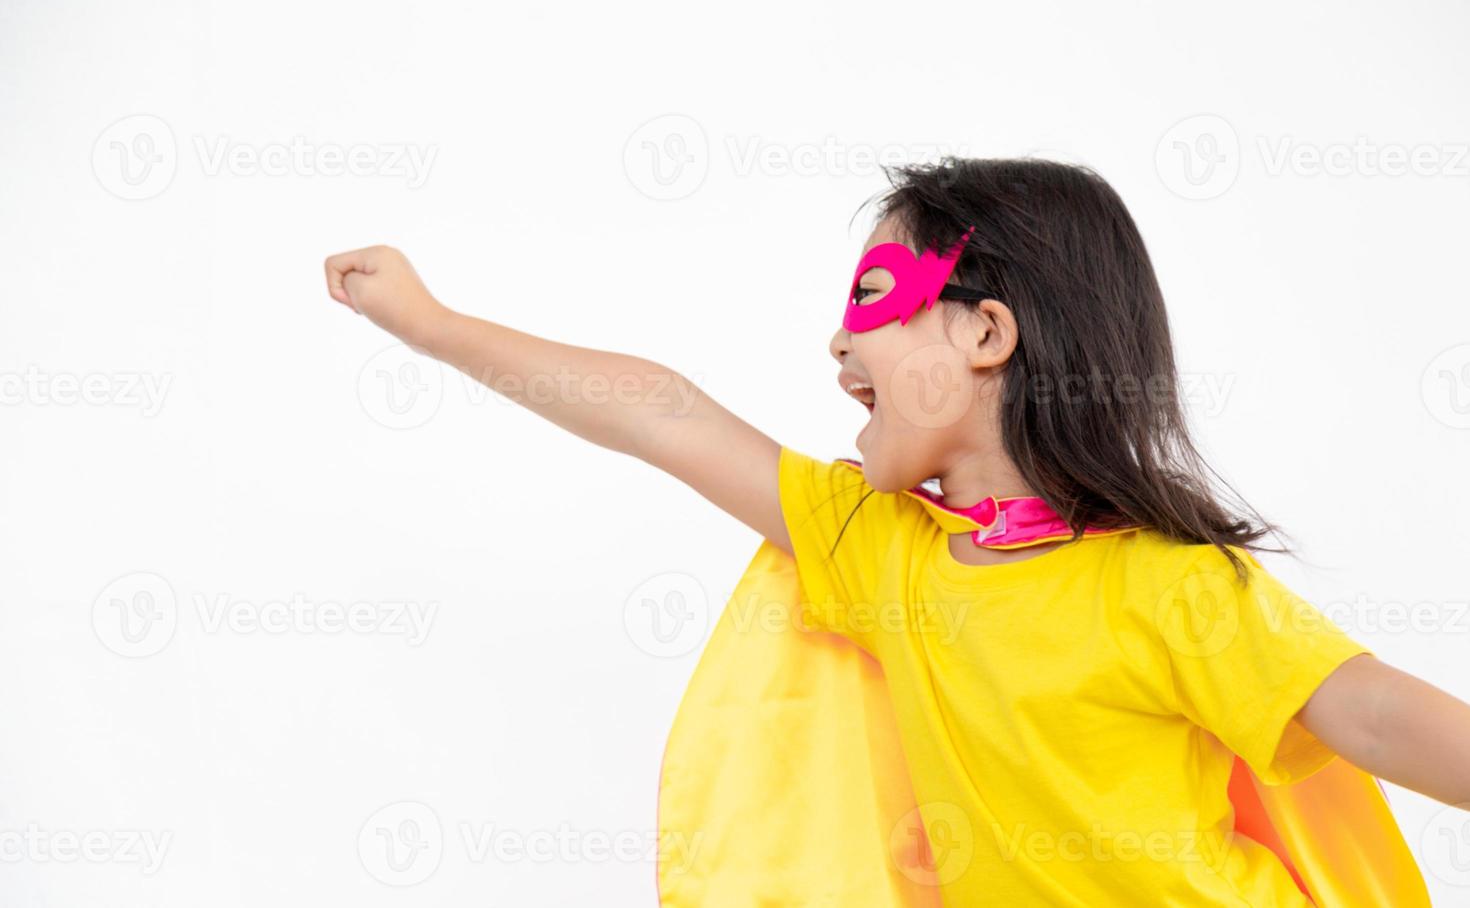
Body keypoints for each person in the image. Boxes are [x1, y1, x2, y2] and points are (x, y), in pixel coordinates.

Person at [324, 156, 1469, 905]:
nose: (836, 343)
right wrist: (433, 325)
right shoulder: (884, 549)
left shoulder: (1167, 588)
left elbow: (1362, 706)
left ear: (986, 334)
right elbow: (665, 417)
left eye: (873, 299)